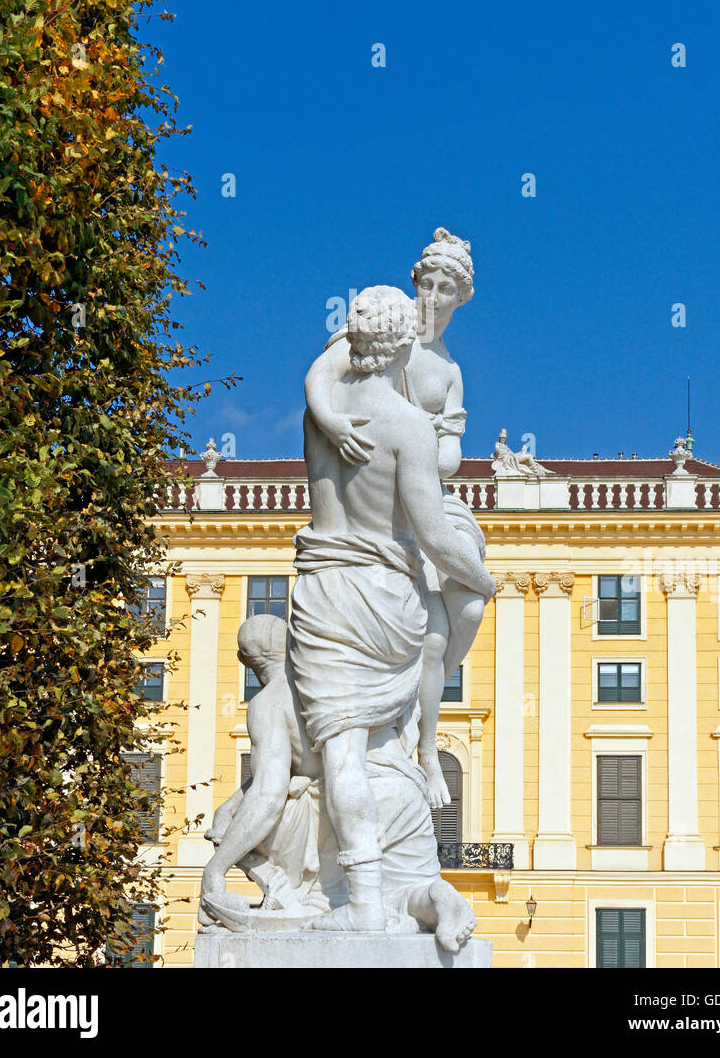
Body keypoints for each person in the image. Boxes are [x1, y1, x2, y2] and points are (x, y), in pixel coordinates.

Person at [290, 285, 496, 934]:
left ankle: (365, 902)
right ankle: (394, 887)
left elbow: (322, 368)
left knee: (344, 751)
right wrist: (482, 581)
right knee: (383, 741)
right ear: (404, 345)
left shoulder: (316, 413)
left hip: (322, 591)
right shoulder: (406, 425)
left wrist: (324, 396)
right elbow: (434, 538)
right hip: (384, 599)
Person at [304, 229, 490, 809]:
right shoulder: (378, 332)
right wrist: (331, 421)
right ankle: (426, 746)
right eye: (427, 284)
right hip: (388, 508)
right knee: (432, 641)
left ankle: (416, 716)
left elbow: (454, 455)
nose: (433, 297)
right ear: (416, 283)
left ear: (461, 299)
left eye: (445, 289)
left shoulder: (449, 371)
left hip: (426, 492)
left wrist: (426, 451)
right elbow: (319, 378)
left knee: (469, 605)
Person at [200, 615, 478, 952]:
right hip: (404, 789)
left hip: (351, 803)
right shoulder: (338, 674)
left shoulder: (271, 701)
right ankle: (438, 898)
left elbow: (267, 795)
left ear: (249, 662)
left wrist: (217, 867)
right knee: (404, 892)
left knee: (234, 828)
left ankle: (299, 895)